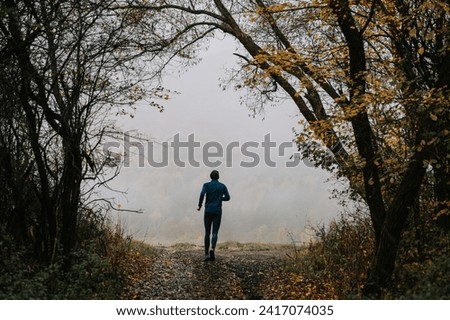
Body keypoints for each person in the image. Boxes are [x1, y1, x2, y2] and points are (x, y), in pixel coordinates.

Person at [197, 170, 230, 261]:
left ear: (210, 177)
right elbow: (227, 198)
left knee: (207, 233)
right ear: (218, 177)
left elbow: (202, 194)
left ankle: (206, 254)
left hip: (208, 210)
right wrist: (220, 198)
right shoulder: (222, 186)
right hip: (217, 211)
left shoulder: (206, 185)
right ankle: (212, 249)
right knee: (215, 232)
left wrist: (200, 205)